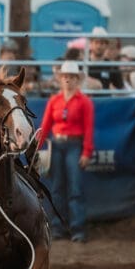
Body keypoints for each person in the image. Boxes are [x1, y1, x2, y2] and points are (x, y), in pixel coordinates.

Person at [35, 61, 95, 243]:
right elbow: (45, 127)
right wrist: (36, 148)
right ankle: (58, 227)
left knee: (75, 188)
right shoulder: (54, 101)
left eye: (71, 77)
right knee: (57, 187)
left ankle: (77, 228)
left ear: (77, 80)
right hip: (58, 145)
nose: (67, 79)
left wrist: (86, 152)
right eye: (65, 77)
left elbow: (88, 129)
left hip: (74, 144)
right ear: (60, 79)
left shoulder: (84, 102)